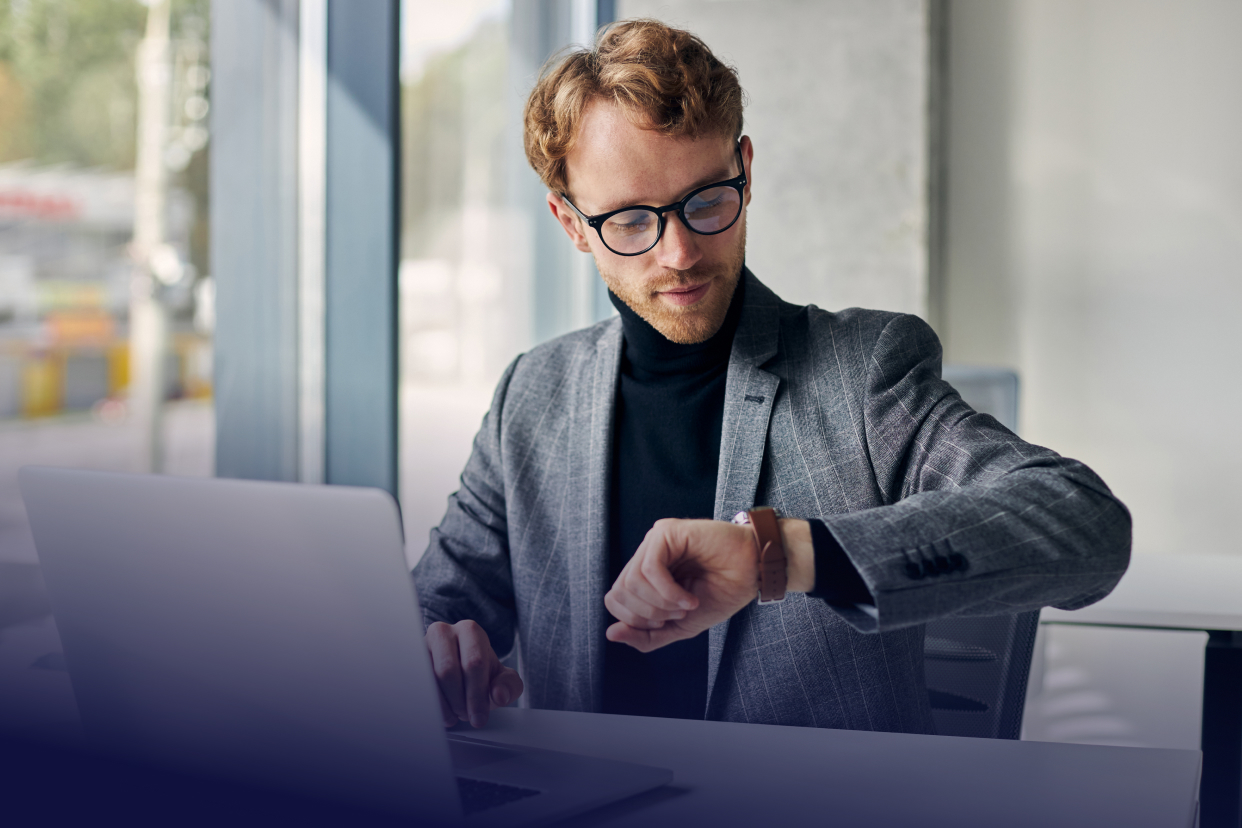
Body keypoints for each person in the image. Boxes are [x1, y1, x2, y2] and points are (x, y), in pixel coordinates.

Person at [412, 19, 1130, 734]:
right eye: (631, 221)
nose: (682, 252)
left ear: (745, 172)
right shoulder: (531, 398)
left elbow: (1084, 527)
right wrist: (434, 646)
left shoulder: (864, 371)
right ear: (571, 224)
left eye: (706, 201)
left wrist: (780, 554)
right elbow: (432, 607)